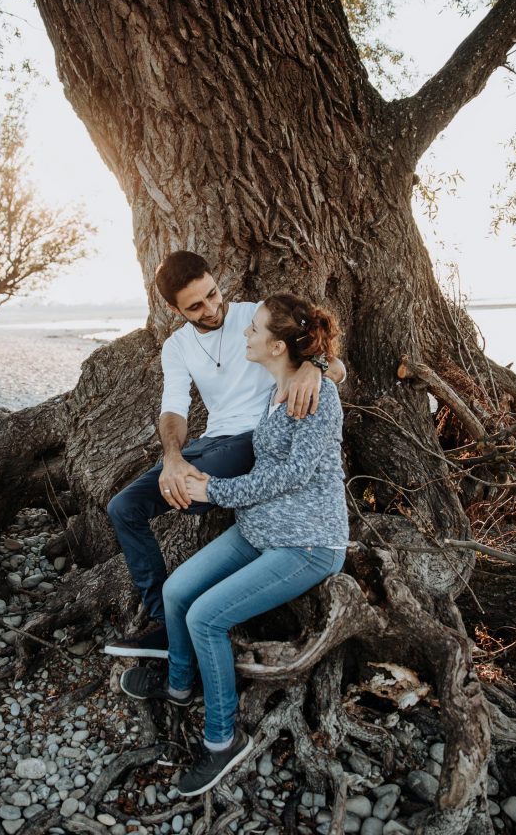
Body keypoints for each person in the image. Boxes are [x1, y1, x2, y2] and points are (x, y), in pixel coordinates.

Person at [119, 293, 349, 796]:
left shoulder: (317, 396)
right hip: (258, 529)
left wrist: (213, 491)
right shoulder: (277, 388)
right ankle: (180, 683)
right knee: (177, 592)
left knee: (206, 618)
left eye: (254, 329)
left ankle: (223, 740)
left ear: (277, 345)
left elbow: (292, 475)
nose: (245, 333)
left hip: (306, 543)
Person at [104, 252, 345, 658]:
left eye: (213, 294)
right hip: (210, 442)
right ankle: (165, 624)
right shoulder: (177, 347)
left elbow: (337, 367)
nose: (212, 309)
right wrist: (173, 457)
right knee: (123, 507)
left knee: (191, 490)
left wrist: (315, 367)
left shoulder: (258, 318)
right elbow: (174, 409)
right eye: (195, 306)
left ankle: (190, 625)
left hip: (254, 439)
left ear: (215, 280)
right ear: (174, 310)